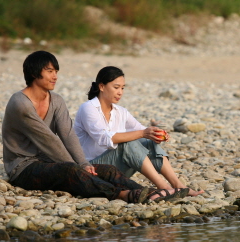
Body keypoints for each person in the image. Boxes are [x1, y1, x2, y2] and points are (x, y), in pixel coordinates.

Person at [2, 51, 187, 203]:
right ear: (34, 73)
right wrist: (78, 166)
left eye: (56, 71)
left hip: (48, 161)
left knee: (107, 170)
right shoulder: (21, 104)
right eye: (50, 71)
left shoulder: (56, 100)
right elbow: (49, 141)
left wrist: (84, 164)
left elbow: (67, 134)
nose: (55, 76)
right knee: (71, 170)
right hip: (23, 167)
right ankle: (122, 195)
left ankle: (148, 193)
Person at [74, 66, 203, 197]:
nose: (120, 92)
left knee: (147, 141)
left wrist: (155, 133)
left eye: (123, 88)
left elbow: (142, 131)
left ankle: (178, 185)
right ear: (101, 87)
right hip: (93, 170)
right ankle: (163, 187)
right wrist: (143, 133)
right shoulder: (88, 108)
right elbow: (105, 139)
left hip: (115, 169)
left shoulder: (120, 111)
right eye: (116, 87)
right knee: (127, 143)